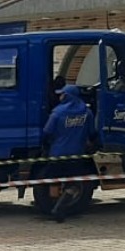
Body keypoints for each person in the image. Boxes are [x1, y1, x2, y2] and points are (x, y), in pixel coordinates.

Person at [41, 84, 98, 216]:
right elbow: (92, 133)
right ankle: (62, 204)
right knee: (74, 184)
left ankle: (54, 206)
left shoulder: (58, 113)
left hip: (57, 155)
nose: (59, 96)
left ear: (67, 96)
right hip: (77, 155)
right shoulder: (86, 112)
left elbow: (47, 132)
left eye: (61, 94)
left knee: (53, 182)